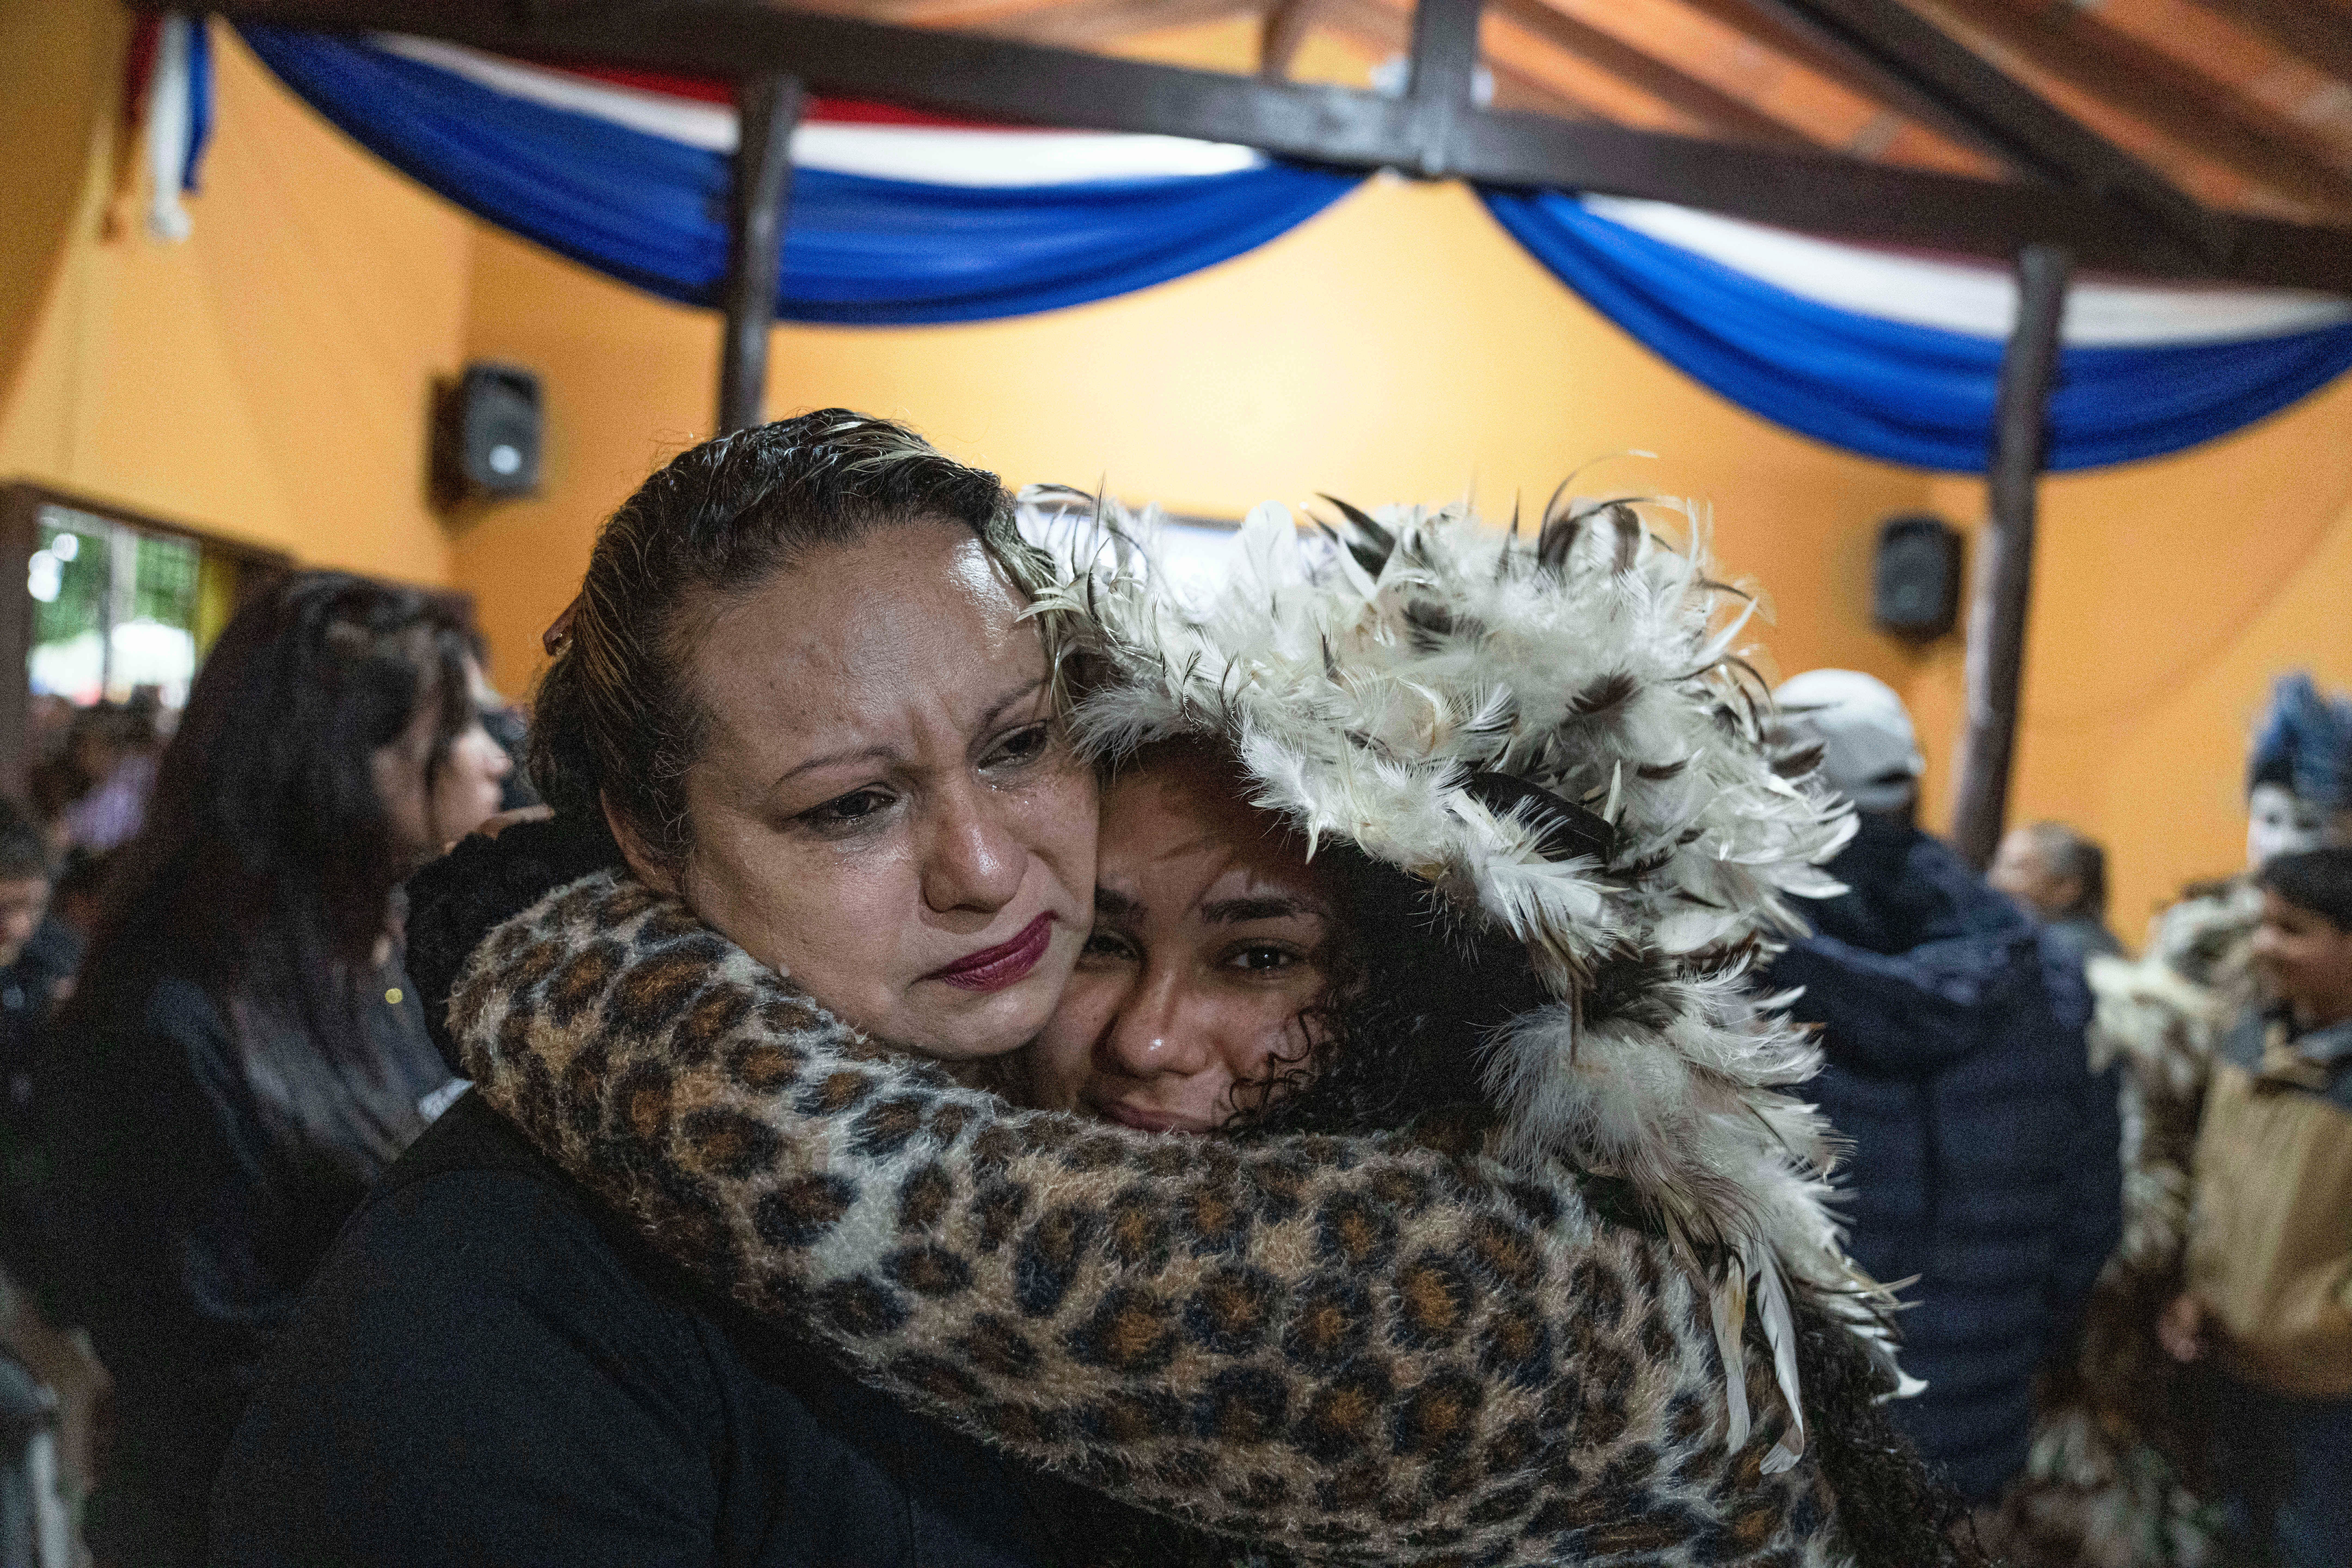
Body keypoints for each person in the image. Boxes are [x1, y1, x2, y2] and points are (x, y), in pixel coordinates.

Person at [229, 441, 1965, 1565]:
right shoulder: (498, 1302)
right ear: (652, 839)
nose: (986, 870)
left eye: (1012, 747)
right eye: (847, 805)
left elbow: (951, 1223)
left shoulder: (1529, 1280)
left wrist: (557, 964)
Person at [27, 572, 509, 1567]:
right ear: (338, 764)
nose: (491, 759)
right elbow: (208, 1364)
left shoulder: (399, 948)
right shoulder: (170, 1016)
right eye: (455, 730)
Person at [2013, 672, 2352, 1568]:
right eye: (2271, 820)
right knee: (2222, 1515)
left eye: (2311, 824)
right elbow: (2203, 1153)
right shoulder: (2207, 952)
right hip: (2206, 1320)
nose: (2281, 845)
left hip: (2317, 1359)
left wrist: (2321, 1325)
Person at [1764, 669, 2122, 1508]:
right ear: (1910, 788)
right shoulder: (2052, 985)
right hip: (1975, 1431)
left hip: (1789, 1445)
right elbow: (2091, 1218)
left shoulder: (1746, 976)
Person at [2156, 846, 2352, 1568]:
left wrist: (2324, 1323)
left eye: (2292, 929)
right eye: (2263, 924)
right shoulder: (2247, 1040)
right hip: (2232, 1365)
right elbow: (2223, 1193)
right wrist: (2199, 1293)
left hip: (2331, 1391)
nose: (2264, 944)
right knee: (2237, 1538)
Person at [1989, 820, 2124, 970]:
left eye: (2016, 868)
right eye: (1999, 863)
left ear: (2065, 888)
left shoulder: (2066, 949)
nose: (1995, 879)